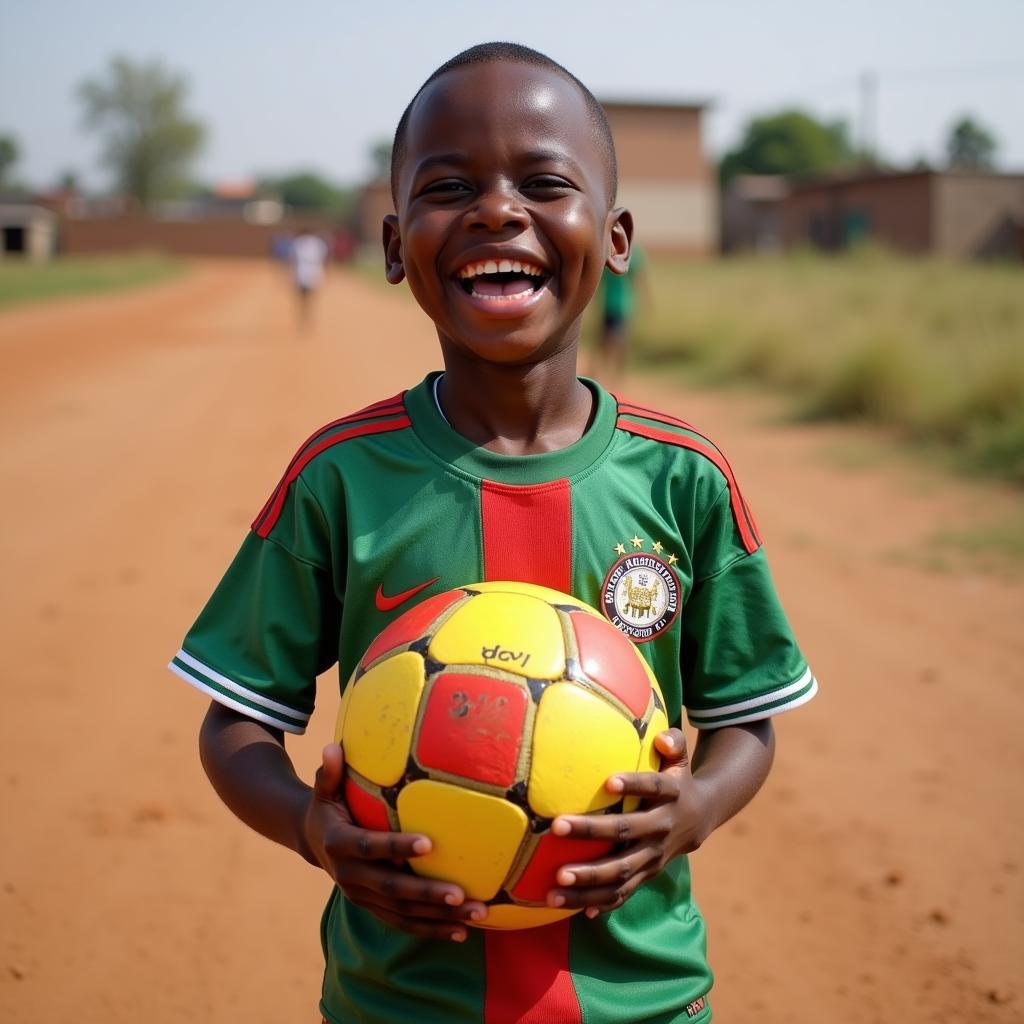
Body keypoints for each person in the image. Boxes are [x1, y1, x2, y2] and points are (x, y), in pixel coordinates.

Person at [169, 42, 817, 1023]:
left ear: (615, 237)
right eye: (449, 187)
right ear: (395, 247)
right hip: (398, 1001)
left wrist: (694, 810)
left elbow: (746, 720)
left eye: (545, 182)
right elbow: (235, 722)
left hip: (642, 1001)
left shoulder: (683, 478)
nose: (497, 209)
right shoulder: (340, 477)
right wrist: (310, 825)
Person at [592, 243, 648, 387]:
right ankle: (600, 371)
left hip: (624, 305)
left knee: (619, 341)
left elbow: (639, 280)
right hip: (608, 304)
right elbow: (599, 283)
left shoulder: (633, 255)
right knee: (604, 341)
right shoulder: (606, 254)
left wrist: (645, 300)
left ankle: (617, 376)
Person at [288, 226, 329, 330]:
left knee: (303, 299)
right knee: (310, 298)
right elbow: (325, 258)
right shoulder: (317, 243)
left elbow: (292, 260)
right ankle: (308, 316)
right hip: (314, 273)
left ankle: (305, 316)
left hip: (302, 273)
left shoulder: (297, 243)